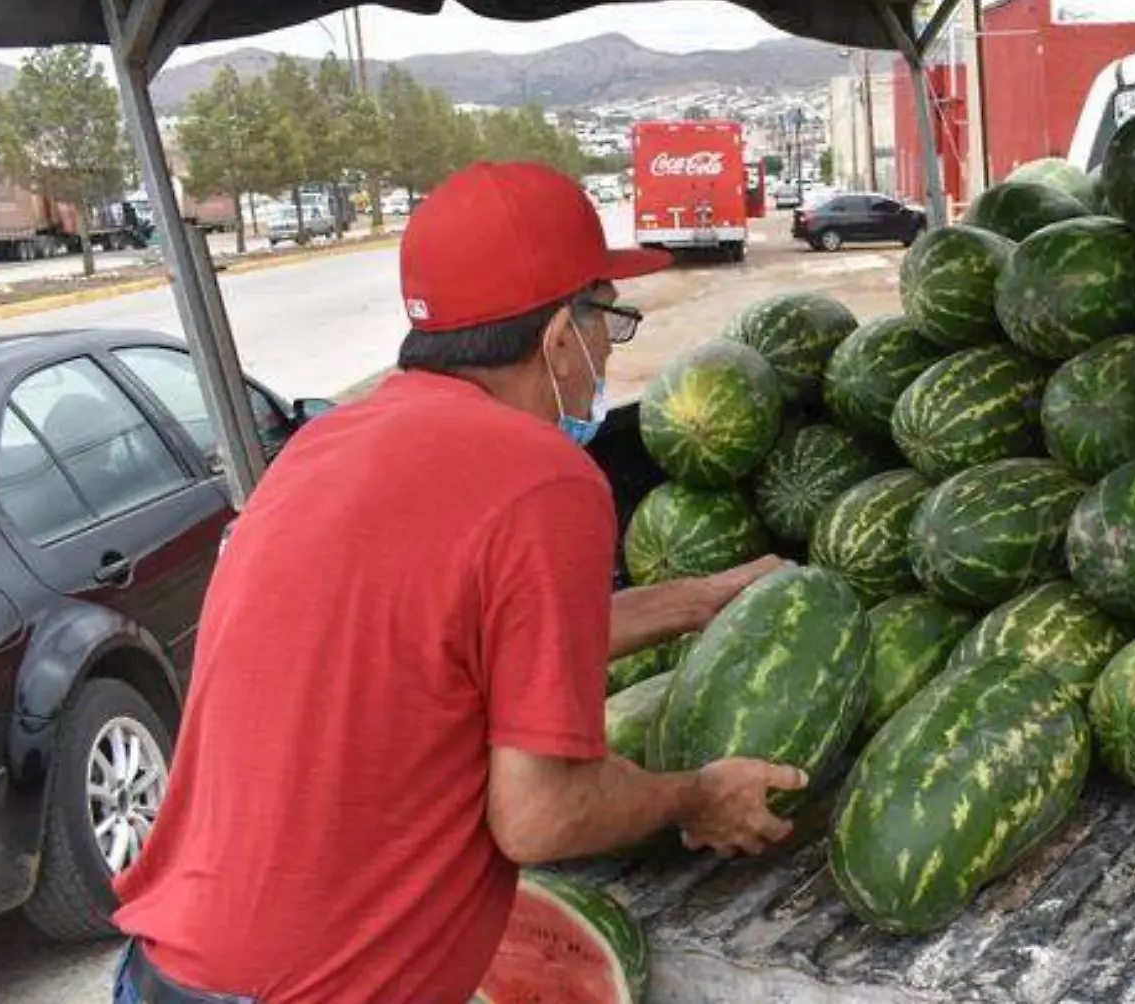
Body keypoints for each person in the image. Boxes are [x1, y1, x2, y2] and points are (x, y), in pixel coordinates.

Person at [109, 161, 805, 1004]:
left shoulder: (328, 446)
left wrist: (700, 602)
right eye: (606, 324)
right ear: (557, 337)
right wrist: (695, 796)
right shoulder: (540, 478)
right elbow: (541, 815)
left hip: (167, 965)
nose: (603, 356)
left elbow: (453, 640)